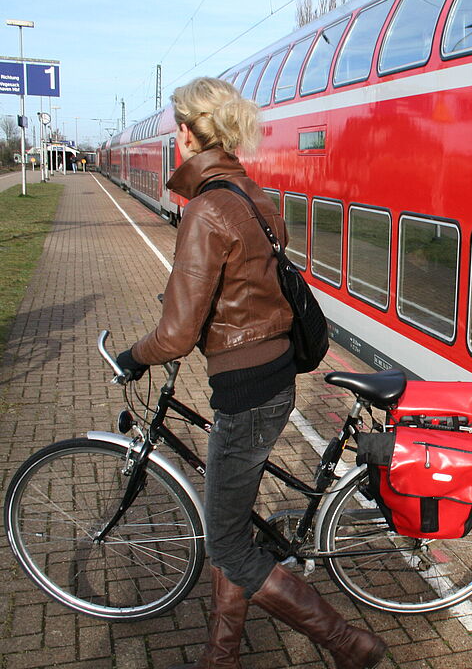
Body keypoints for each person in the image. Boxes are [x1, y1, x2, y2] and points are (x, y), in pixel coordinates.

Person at [115, 77, 386, 669]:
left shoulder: (208, 210)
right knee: (231, 526)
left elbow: (176, 333)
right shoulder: (253, 196)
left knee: (229, 544)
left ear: (187, 134)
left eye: (178, 127)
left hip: (245, 390)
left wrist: (133, 357)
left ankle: (350, 644)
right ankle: (222, 653)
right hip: (274, 373)